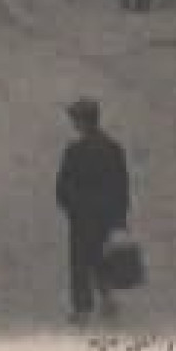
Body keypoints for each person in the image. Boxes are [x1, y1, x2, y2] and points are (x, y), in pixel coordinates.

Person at [55, 98, 131, 325]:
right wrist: (120, 217)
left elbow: (62, 186)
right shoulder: (113, 148)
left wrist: (72, 207)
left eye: (75, 119)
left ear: (81, 121)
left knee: (80, 261)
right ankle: (107, 299)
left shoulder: (74, 151)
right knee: (103, 257)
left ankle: (82, 310)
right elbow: (122, 186)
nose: (74, 124)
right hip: (106, 214)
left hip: (82, 216)